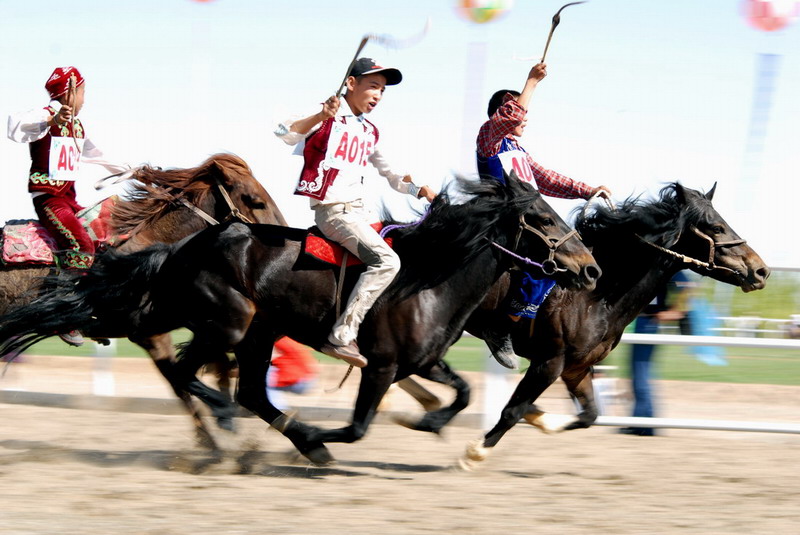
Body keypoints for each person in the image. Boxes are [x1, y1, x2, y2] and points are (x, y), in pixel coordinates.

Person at [275, 57, 436, 368]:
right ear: (351, 84)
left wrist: (420, 189)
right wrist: (320, 114)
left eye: (383, 91)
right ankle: (342, 335)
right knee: (387, 261)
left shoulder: (370, 131)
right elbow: (284, 132)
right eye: (373, 86)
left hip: (363, 213)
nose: (378, 95)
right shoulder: (325, 116)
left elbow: (392, 174)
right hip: (334, 213)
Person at [475, 61, 612, 369]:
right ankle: (502, 327)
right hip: (503, 221)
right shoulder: (489, 139)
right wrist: (532, 83)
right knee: (545, 261)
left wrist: (587, 190)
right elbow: (513, 115)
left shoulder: (519, 151)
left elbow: (548, 179)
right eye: (516, 110)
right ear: (501, 114)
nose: (525, 118)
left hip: (529, 220)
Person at [7, 66, 129, 345]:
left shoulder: (77, 125)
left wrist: (132, 170)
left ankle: (92, 311)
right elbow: (15, 125)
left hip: (69, 201)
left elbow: (96, 155)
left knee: (104, 239)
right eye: (82, 92)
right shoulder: (47, 115)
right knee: (81, 245)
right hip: (49, 199)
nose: (84, 99)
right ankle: (61, 316)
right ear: (67, 94)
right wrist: (50, 121)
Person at [620, 270, 694, 436]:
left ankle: (644, 423)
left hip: (647, 322)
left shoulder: (666, 265)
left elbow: (687, 286)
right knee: (636, 375)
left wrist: (677, 312)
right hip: (639, 320)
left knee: (641, 374)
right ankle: (639, 420)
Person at [266, 336, 319, 412]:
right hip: (310, 379)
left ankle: (279, 409)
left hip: (300, 381)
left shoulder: (281, 340)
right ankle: (278, 407)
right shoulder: (291, 339)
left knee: (264, 380)